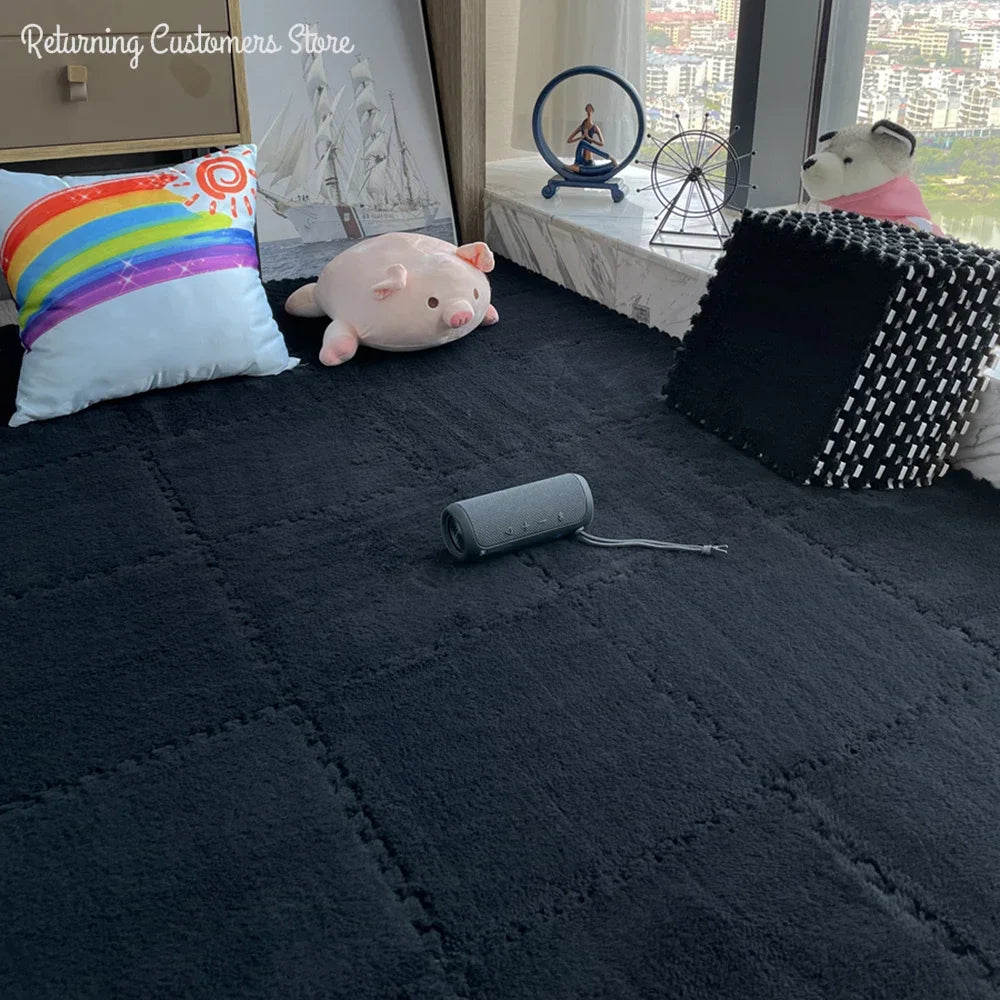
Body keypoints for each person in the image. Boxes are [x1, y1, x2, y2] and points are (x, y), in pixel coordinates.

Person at [566, 104, 616, 173]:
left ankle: (609, 157)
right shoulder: (582, 127)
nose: (589, 111)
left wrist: (589, 138)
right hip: (581, 160)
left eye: (590, 109)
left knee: (583, 143)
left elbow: (602, 143)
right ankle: (576, 164)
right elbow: (569, 140)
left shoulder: (595, 127)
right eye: (587, 109)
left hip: (589, 161)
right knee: (582, 142)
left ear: (592, 110)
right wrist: (582, 137)